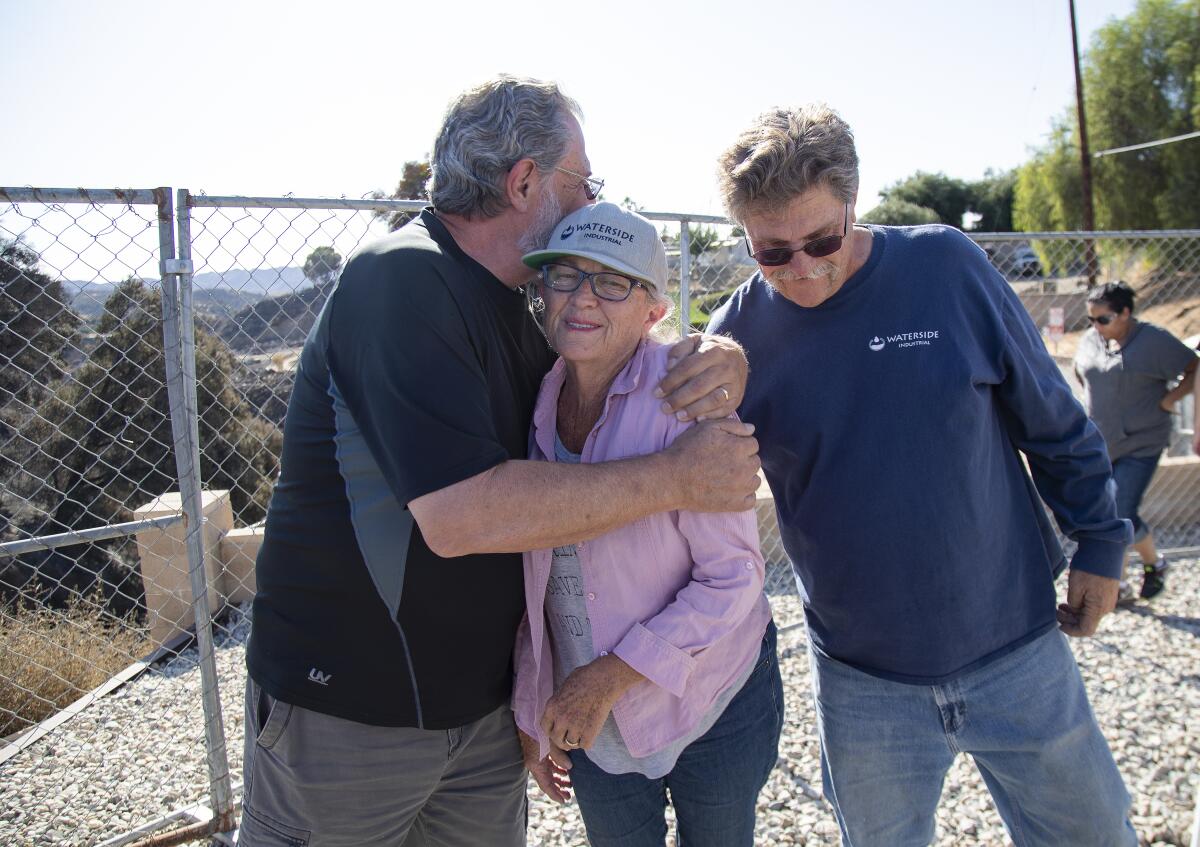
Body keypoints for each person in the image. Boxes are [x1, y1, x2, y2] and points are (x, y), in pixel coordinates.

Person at [240, 76, 760, 847]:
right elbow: (461, 514)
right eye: (583, 183)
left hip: (474, 720)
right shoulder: (401, 280)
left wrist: (723, 355)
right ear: (524, 181)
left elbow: (625, 356)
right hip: (351, 715)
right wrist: (676, 477)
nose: (590, 204)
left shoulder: (523, 310)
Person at [708, 103, 1138, 847]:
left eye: (821, 239)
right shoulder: (735, 342)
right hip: (862, 677)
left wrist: (1100, 545)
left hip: (1018, 646)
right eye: (772, 252)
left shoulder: (946, 267)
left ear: (853, 202)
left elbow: (1054, 420)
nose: (803, 268)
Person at [513, 202, 782, 847]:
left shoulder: (684, 394)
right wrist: (532, 703)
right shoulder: (529, 400)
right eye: (567, 275)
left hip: (712, 695)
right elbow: (534, 585)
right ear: (542, 290)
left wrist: (606, 678)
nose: (583, 298)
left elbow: (733, 579)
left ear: (653, 311)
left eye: (612, 282)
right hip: (592, 722)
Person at [1073, 281, 1197, 603]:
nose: (1096, 326)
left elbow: (1194, 366)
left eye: (1104, 319)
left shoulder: (1153, 341)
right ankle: (1151, 566)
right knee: (1113, 511)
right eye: (1091, 320)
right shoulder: (1091, 341)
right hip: (1102, 442)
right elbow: (1082, 374)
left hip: (1142, 442)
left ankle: (1123, 581)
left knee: (1121, 510)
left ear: (1125, 312)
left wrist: (1171, 400)